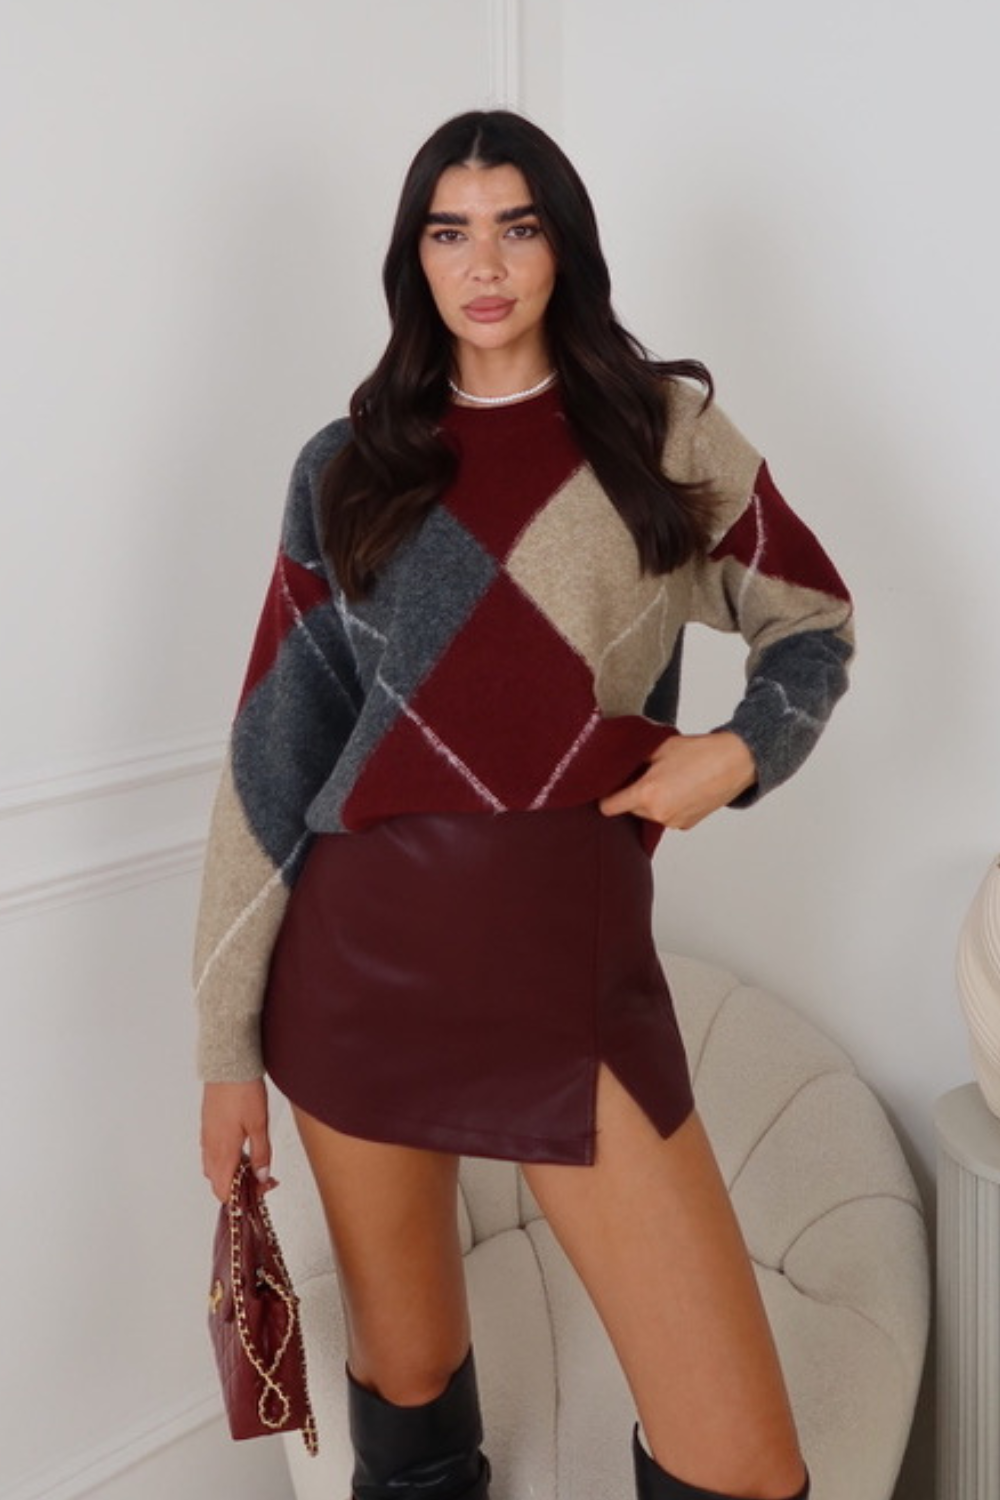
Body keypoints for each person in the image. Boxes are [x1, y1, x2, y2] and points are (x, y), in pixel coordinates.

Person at [196, 110, 853, 1500]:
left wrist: (735, 756)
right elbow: (273, 758)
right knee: (409, 1381)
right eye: (450, 231)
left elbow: (811, 622)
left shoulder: (661, 431)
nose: (483, 264)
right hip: (360, 969)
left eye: (517, 227)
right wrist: (223, 1051)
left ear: (564, 246)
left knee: (741, 1459)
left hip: (568, 968)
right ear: (414, 257)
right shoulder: (346, 464)